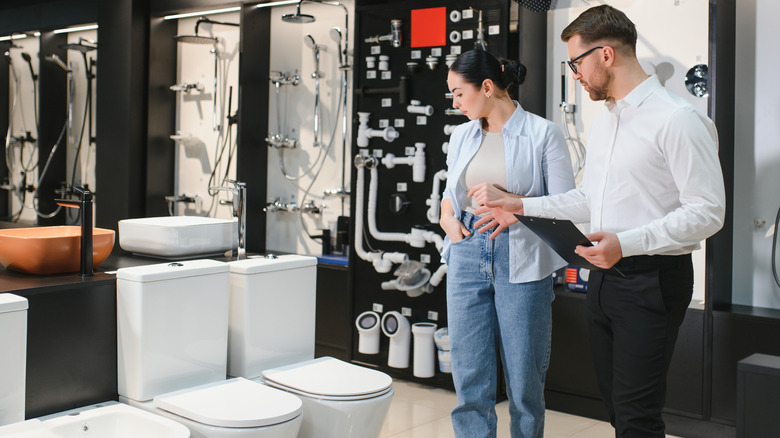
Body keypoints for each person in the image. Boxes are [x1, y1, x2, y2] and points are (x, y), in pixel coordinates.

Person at [470, 5, 726, 437]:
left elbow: (708, 211)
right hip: (603, 278)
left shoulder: (677, 119)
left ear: (605, 55)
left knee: (636, 417)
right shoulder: (606, 121)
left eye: (576, 62)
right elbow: (589, 198)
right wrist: (520, 206)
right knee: (615, 408)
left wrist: (625, 243)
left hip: (652, 279)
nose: (575, 74)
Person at [440, 48, 575, 438]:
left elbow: (568, 203)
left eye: (458, 93)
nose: (455, 103)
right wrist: (447, 216)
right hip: (467, 248)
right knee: (469, 374)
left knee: (524, 379)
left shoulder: (542, 133)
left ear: (486, 87)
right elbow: (452, 192)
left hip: (521, 252)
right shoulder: (461, 134)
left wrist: (516, 208)